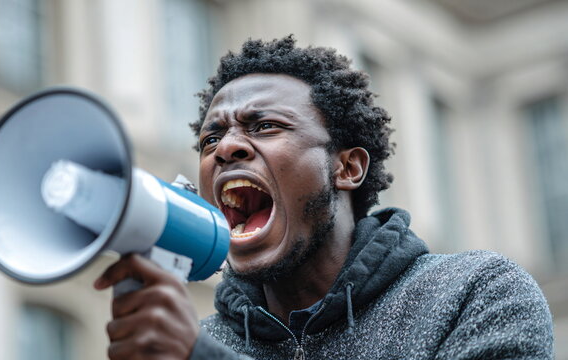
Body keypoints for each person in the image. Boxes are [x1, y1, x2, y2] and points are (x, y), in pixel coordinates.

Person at [93, 36, 554, 359]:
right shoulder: (195, 340)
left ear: (347, 168)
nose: (226, 147)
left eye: (265, 126)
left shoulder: (471, 294)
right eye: (211, 139)